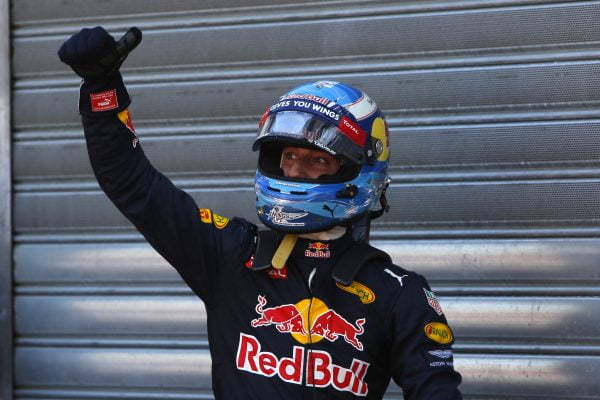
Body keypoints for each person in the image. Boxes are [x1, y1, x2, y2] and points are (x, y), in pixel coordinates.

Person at [58, 26, 462, 399]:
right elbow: (133, 185)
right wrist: (102, 91)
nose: (297, 171)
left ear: (360, 169)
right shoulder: (232, 257)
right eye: (288, 157)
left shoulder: (399, 293)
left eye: (318, 161)